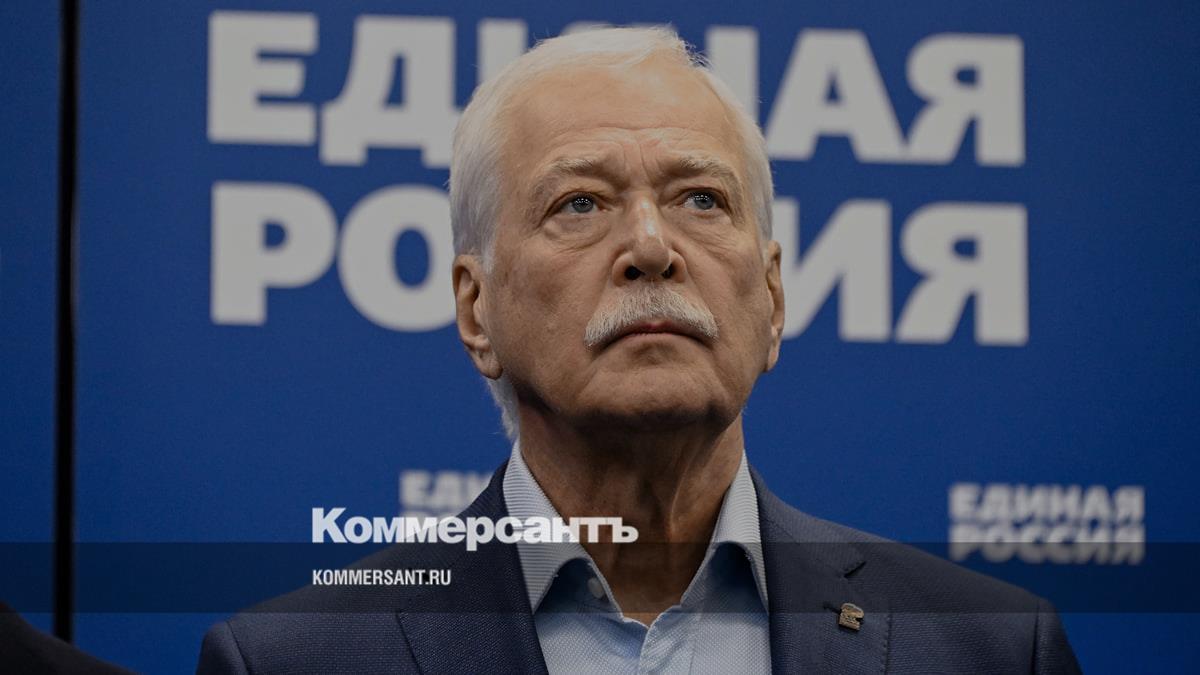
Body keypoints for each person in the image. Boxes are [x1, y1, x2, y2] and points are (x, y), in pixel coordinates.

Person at [198, 26, 1080, 673]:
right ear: (476, 310)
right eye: (579, 203)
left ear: (773, 296)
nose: (652, 247)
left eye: (701, 199)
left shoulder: (990, 648)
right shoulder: (293, 660)